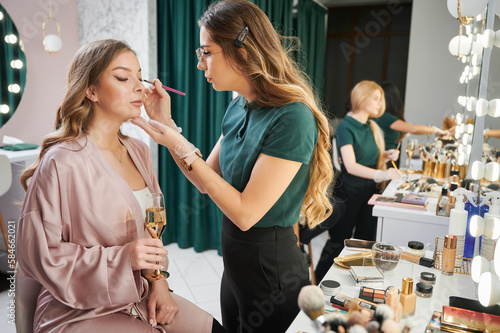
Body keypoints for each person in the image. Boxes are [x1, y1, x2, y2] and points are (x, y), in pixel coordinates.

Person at [131, 0, 333, 331]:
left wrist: (180, 144)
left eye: (206, 52)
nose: (200, 64)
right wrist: (167, 126)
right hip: (236, 266)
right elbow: (204, 179)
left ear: (241, 51)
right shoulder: (238, 106)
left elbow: (245, 213)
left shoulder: (292, 117)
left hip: (272, 273)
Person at [16, 39, 222, 333]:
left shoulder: (138, 150)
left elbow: (153, 228)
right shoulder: (62, 162)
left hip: (138, 294)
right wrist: (123, 258)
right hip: (76, 309)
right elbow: (40, 255)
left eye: (140, 76)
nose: (139, 87)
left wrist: (159, 284)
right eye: (124, 78)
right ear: (91, 90)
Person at [312, 81, 402, 282]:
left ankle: (356, 281)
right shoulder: (346, 127)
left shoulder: (371, 126)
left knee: (365, 241)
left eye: (381, 99)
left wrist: (386, 156)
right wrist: (382, 174)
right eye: (376, 98)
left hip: (370, 193)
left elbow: (367, 158)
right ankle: (318, 282)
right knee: (339, 241)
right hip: (348, 192)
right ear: (362, 99)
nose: (380, 104)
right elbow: (351, 166)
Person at [375, 82, 449, 164]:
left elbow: (393, 140)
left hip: (388, 160)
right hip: (383, 162)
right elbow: (413, 129)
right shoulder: (385, 117)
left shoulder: (386, 118)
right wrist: (436, 130)